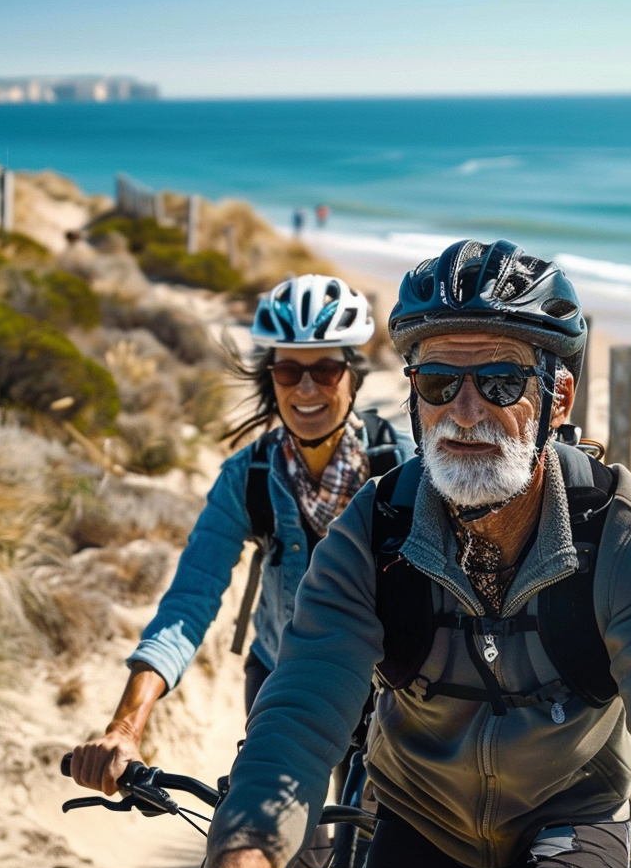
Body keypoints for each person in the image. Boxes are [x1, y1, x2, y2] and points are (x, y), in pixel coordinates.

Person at [122, 239, 631, 868]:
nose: (466, 410)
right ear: (411, 398)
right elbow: (294, 722)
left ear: (557, 396)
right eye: (439, 383)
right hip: (422, 817)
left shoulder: (617, 528)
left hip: (568, 820)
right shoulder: (372, 532)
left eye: (502, 383)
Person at [70, 273, 411, 797]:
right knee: (277, 842)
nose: (305, 388)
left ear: (353, 375)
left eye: (324, 368)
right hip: (284, 676)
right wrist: (124, 728)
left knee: (374, 838)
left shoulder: (402, 468)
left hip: (388, 687)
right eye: (287, 370)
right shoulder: (246, 477)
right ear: (269, 378)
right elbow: (189, 601)